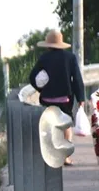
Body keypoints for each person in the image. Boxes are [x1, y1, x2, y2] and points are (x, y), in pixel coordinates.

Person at [30, 29, 86, 166]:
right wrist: (81, 98)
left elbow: (32, 77)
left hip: (47, 99)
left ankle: (49, 155)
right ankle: (65, 157)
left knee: (49, 126)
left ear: (48, 45)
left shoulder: (44, 58)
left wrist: (41, 89)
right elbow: (77, 79)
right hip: (64, 99)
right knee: (66, 126)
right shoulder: (70, 57)